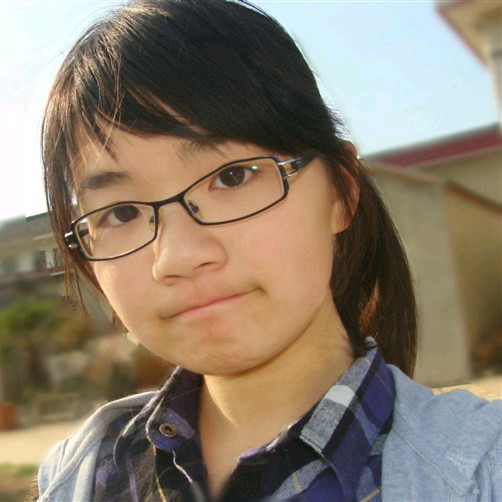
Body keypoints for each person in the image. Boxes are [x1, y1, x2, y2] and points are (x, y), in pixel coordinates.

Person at [32, 0, 501, 500]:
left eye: (232, 177)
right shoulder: (79, 475)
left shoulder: (480, 471)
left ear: (341, 193)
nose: (178, 256)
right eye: (122, 213)